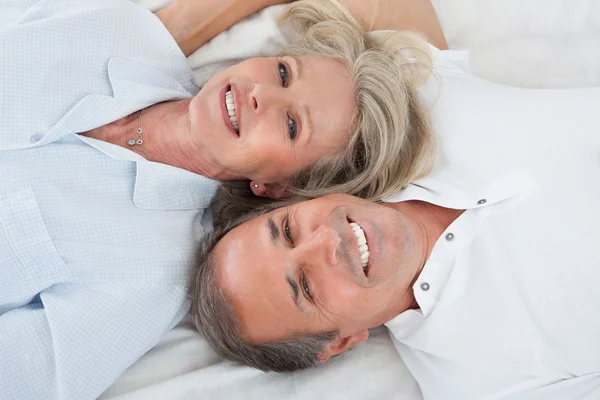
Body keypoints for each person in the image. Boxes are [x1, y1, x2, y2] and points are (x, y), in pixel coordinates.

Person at [0, 0, 447, 398]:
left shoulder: (151, 277)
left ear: (279, 189)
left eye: (292, 125)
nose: (260, 95)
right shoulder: (124, 31)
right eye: (283, 73)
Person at [190, 81, 600, 398]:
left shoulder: (401, 110)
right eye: (307, 287)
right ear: (339, 343)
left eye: (289, 230)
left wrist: (171, 28)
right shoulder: (490, 386)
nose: (326, 243)